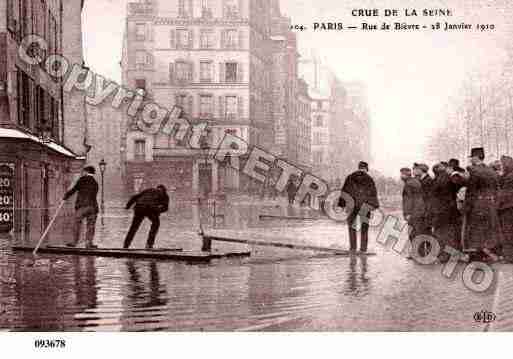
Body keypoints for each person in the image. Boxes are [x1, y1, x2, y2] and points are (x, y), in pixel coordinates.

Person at [463, 147, 502, 262]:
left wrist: (466, 207)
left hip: (477, 205)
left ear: (475, 158)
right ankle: (487, 254)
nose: (470, 160)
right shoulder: (491, 171)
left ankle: (477, 257)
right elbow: (497, 190)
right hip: (490, 204)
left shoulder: (474, 171)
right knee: (488, 230)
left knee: (476, 230)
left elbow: (471, 191)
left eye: (471, 158)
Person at [340, 161, 379, 253]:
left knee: (351, 227)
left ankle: (353, 248)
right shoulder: (369, 179)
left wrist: (342, 204)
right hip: (365, 206)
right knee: (364, 227)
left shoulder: (350, 177)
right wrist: (373, 206)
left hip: (351, 205)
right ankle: (363, 249)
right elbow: (373, 193)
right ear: (366, 169)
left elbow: (344, 191)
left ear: (358, 167)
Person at [123, 185, 170, 249]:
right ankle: (149, 245)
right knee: (156, 224)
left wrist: (127, 206)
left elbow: (134, 197)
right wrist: (158, 211)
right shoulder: (165, 195)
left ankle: (126, 245)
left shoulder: (148, 190)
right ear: (164, 190)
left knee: (133, 227)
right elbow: (165, 208)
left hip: (139, 208)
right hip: (149, 209)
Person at [64, 166, 99, 248]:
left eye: (83, 171)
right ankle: (89, 243)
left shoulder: (82, 180)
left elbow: (74, 189)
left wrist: (66, 196)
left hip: (82, 206)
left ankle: (74, 242)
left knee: (77, 223)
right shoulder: (95, 182)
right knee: (91, 225)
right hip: (93, 207)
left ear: (86, 172)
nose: (82, 173)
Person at [431, 163, 459, 258]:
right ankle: (449, 253)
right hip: (450, 209)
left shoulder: (438, 180)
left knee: (440, 233)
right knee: (449, 233)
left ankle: (444, 255)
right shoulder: (449, 178)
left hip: (441, 210)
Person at [400, 167, 426, 257]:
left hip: (414, 212)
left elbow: (408, 200)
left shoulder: (409, 184)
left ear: (406, 175)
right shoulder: (415, 182)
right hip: (420, 210)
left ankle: (418, 253)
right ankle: (420, 252)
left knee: (413, 233)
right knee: (418, 231)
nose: (401, 176)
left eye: (402, 174)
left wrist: (407, 213)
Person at [498, 155, 513, 262]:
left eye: (502, 165)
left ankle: (509, 256)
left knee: (507, 232)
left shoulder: (508, 178)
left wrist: (497, 206)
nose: (501, 167)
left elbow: (504, 195)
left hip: (507, 208)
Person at [413, 163, 433, 235]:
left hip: (425, 212)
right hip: (421, 212)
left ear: (421, 170)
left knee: (425, 233)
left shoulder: (428, 180)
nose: (414, 171)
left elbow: (428, 198)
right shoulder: (422, 180)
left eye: (416, 169)